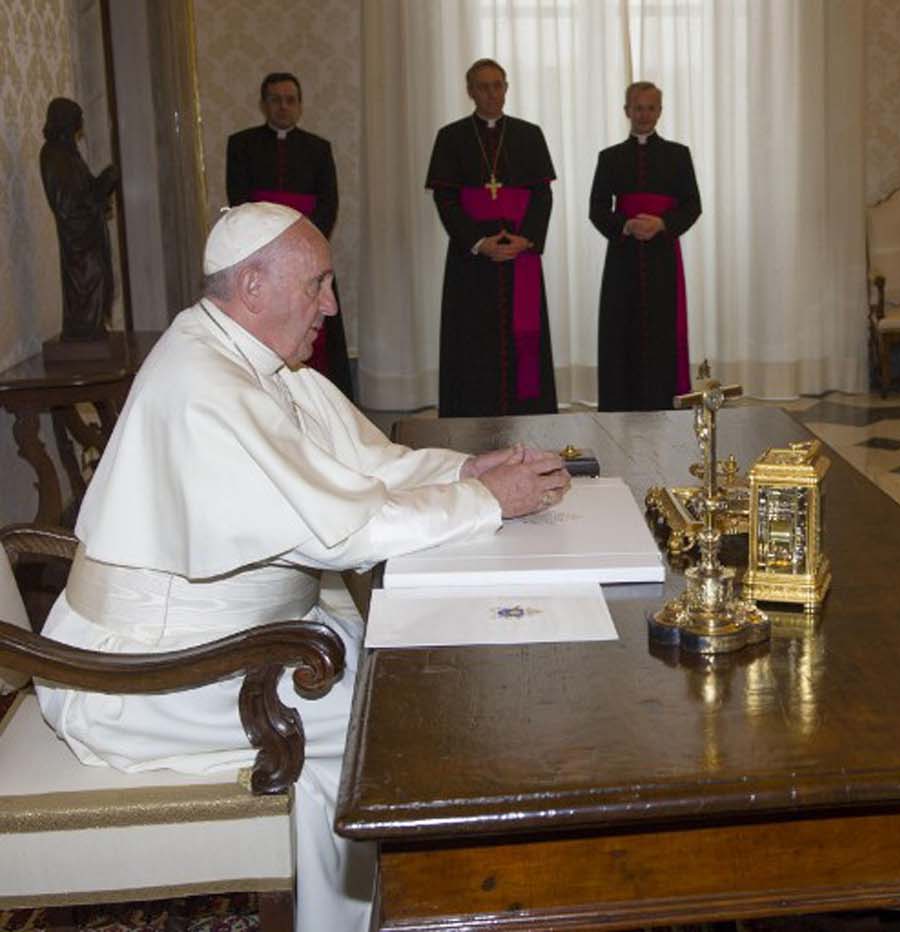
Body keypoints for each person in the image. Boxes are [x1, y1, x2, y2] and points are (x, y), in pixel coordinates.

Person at [34, 202, 572, 931]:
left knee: (413, 675)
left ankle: (366, 911)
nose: (331, 304)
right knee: (395, 726)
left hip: (239, 640)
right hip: (146, 676)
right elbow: (343, 529)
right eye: (317, 283)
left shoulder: (255, 361)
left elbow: (365, 467)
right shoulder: (207, 384)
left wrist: (466, 468)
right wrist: (483, 500)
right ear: (253, 285)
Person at [426, 58, 558, 417]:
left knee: (523, 344)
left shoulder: (529, 135)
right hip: (471, 259)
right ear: (470, 91)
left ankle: (528, 415)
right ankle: (472, 414)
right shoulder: (450, 137)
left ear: (506, 88)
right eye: (483, 86)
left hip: (521, 257)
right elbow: (447, 199)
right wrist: (478, 242)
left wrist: (527, 239)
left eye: (498, 85)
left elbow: (542, 195)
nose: (491, 93)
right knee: (472, 342)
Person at [226, 72, 355, 399]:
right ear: (263, 104)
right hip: (262, 259)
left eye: (290, 100)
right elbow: (240, 201)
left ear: (299, 105)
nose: (283, 106)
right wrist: (271, 249)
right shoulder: (241, 145)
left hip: (309, 257)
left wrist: (302, 251)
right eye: (275, 100)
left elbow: (329, 204)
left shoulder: (318, 148)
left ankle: (324, 399)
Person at [589, 81, 702, 411]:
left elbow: (692, 205)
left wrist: (663, 224)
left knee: (661, 333)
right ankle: (618, 405)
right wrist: (625, 224)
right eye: (638, 107)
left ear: (660, 111)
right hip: (622, 257)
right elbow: (597, 208)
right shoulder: (609, 158)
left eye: (651, 108)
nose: (644, 114)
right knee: (619, 331)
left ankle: (660, 402)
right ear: (627, 111)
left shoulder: (678, 155)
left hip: (662, 256)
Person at [40, 97, 119, 342]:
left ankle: (91, 330)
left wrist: (105, 180)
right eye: (77, 119)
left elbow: (83, 191)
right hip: (79, 242)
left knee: (98, 283)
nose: (80, 124)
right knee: (86, 284)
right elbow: (67, 206)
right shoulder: (53, 155)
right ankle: (85, 332)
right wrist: (99, 192)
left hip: (89, 236)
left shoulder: (68, 153)